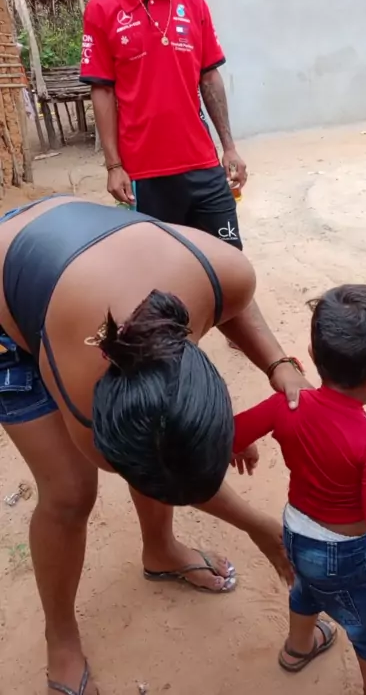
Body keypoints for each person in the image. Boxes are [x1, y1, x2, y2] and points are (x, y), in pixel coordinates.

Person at [0, 195, 308, 695]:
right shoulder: (83, 394)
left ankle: (160, 550)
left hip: (76, 249)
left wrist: (279, 364)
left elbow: (235, 304)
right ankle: (60, 635)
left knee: (160, 442)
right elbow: (151, 458)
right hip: (12, 290)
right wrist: (258, 525)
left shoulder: (225, 272)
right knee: (70, 493)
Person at [231, 284, 366, 695]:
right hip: (346, 556)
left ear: (312, 356)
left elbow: (230, 431)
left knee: (306, 589)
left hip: (296, 533)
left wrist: (240, 443)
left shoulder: (287, 403)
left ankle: (298, 648)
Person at [80, 0, 246, 251]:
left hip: (203, 165)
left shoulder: (192, 1)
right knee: (164, 272)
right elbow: (102, 90)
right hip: (145, 175)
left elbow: (209, 77)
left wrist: (229, 148)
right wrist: (113, 166)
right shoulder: (101, 10)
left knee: (228, 262)